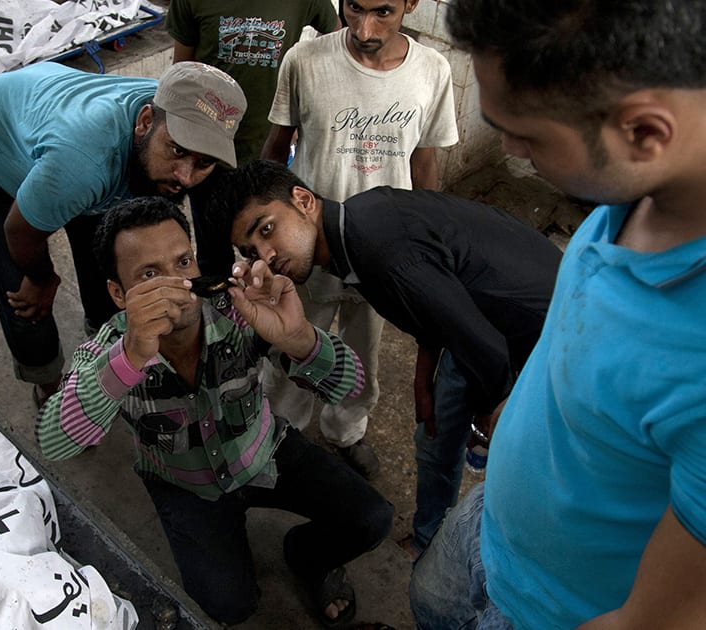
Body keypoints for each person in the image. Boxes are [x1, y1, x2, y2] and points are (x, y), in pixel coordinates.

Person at [407, 1, 706, 628]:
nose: (511, 147)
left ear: (645, 132)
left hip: (546, 611)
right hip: (490, 527)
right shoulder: (639, 192)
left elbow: (665, 614)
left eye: (529, 135)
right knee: (430, 602)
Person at [36, 197, 395, 627]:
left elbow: (351, 385)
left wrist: (299, 337)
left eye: (182, 262)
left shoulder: (239, 313)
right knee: (228, 605)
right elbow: (54, 441)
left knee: (372, 518)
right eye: (150, 275)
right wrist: (129, 358)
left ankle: (307, 557)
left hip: (265, 451)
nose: (176, 285)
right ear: (118, 294)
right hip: (183, 485)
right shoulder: (106, 352)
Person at [209, 159, 560, 555]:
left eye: (267, 229)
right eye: (251, 249)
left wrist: (488, 413)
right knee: (434, 439)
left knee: (515, 465)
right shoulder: (357, 225)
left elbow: (488, 351)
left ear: (303, 200)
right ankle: (430, 540)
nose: (266, 255)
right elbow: (431, 306)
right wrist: (422, 378)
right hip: (484, 325)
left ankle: (484, 564)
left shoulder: (377, 245)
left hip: (542, 343)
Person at [0, 61, 246, 406]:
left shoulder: (177, 112)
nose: (185, 177)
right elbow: (19, 231)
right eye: (177, 151)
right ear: (145, 122)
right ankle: (48, 385)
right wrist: (42, 278)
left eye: (203, 163)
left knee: (109, 263)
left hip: (47, 111)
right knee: (22, 292)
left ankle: (107, 357)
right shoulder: (83, 163)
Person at [258, 0, 459, 479]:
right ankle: (277, 433)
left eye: (384, 12)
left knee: (363, 350)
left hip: (385, 255)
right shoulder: (304, 61)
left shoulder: (432, 71)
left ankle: (346, 430)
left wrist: (428, 247)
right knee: (292, 344)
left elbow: (424, 164)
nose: (365, 28)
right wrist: (261, 231)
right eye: (353, 8)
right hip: (311, 249)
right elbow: (275, 148)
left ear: (412, 4)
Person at [167, 0, 338, 279]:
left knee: (275, 247)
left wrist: (299, 106)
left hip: (270, 151)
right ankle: (221, 311)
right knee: (213, 251)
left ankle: (271, 311)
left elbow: (336, 42)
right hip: (207, 153)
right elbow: (181, 73)